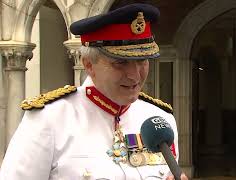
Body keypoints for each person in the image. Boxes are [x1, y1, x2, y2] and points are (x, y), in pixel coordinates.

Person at [0, 3, 188, 180]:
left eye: (142, 61)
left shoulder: (160, 119)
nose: (134, 75)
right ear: (89, 64)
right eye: (120, 63)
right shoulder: (50, 119)